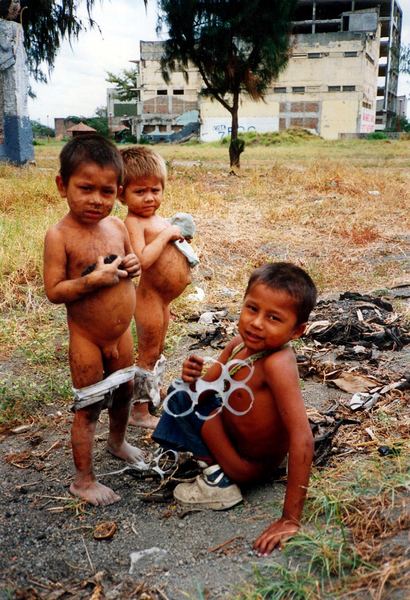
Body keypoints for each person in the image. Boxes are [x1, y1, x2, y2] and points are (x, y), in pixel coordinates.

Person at [153, 262, 317, 555]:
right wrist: (190, 377)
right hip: (235, 440)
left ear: (297, 331)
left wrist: (290, 519)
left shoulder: (278, 363)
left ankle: (217, 479)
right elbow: (202, 391)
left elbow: (302, 436)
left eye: (274, 318)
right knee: (180, 392)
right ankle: (214, 463)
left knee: (183, 402)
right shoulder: (239, 345)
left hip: (247, 466)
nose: (256, 323)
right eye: (252, 309)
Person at [43, 133, 143, 506]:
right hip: (86, 336)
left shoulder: (117, 228)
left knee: (126, 391)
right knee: (88, 407)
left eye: (106, 191)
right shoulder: (60, 235)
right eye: (85, 188)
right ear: (62, 185)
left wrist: (132, 265)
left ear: (118, 191)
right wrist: (90, 281)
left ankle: (117, 442)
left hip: (121, 334)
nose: (96, 200)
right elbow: (54, 291)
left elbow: (132, 264)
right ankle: (83, 480)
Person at [120, 146, 199, 429]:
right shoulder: (132, 222)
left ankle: (152, 393)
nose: (150, 198)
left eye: (155, 190)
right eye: (140, 192)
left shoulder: (156, 219)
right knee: (147, 353)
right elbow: (141, 260)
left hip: (164, 301)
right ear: (121, 194)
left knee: (158, 349)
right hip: (149, 299)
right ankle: (139, 412)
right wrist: (167, 234)